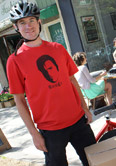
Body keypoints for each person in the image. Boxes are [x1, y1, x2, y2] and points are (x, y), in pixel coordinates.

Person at [7, 1, 96, 166]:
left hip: (78, 122)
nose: (28, 26)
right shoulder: (15, 61)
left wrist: (85, 108)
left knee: (95, 162)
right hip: (50, 131)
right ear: (16, 27)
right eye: (22, 22)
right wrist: (34, 133)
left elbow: (72, 81)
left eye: (31, 20)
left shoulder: (58, 48)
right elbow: (19, 100)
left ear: (39, 22)